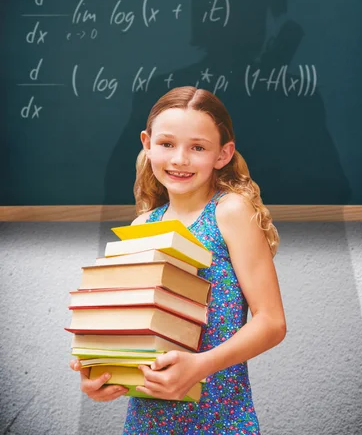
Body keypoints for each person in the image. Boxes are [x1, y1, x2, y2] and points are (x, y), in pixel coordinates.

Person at [71, 86, 287, 434]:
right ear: (147, 142)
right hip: (146, 421)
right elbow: (135, 328)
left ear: (223, 153)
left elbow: (272, 322)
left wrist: (199, 366)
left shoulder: (230, 212)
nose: (179, 159)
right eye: (167, 144)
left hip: (221, 419)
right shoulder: (143, 225)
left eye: (197, 147)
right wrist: (103, 371)